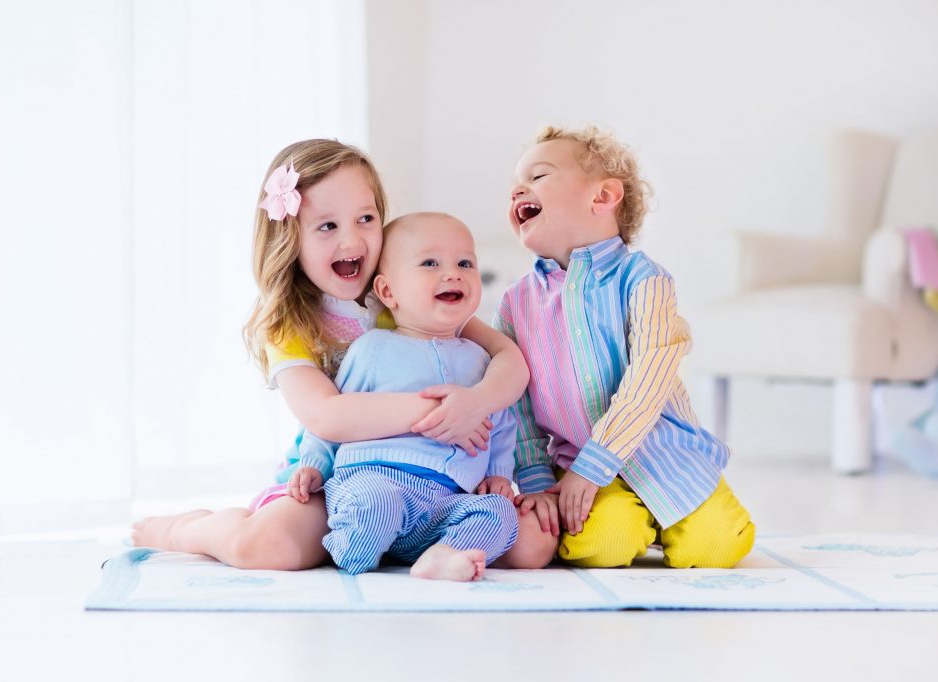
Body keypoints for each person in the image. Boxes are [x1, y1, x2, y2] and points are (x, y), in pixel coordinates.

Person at [132, 139, 556, 571]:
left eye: (366, 219)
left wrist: (477, 403)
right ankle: (186, 529)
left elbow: (509, 358)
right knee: (265, 547)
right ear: (290, 238)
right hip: (329, 476)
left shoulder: (406, 295)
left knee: (531, 547)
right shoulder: (288, 324)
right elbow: (327, 416)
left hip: (440, 483)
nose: (352, 238)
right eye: (327, 226)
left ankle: (430, 553)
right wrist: (443, 411)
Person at [497, 125, 756, 568]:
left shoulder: (645, 279)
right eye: (515, 185)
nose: (518, 189)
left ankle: (666, 519)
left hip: (667, 454)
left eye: (538, 176)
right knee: (603, 546)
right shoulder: (515, 303)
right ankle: (633, 522)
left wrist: (598, 460)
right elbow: (514, 404)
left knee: (716, 548)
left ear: (602, 198)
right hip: (578, 467)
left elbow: (648, 379)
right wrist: (538, 481)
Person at [295, 212, 519, 581]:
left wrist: (498, 472)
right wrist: (314, 463)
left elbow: (500, 419)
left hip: (447, 499)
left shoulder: (481, 360)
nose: (453, 273)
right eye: (430, 263)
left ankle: (442, 555)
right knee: (375, 504)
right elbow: (334, 416)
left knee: (498, 513)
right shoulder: (374, 349)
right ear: (387, 292)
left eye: (466, 263)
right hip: (375, 479)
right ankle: (356, 550)